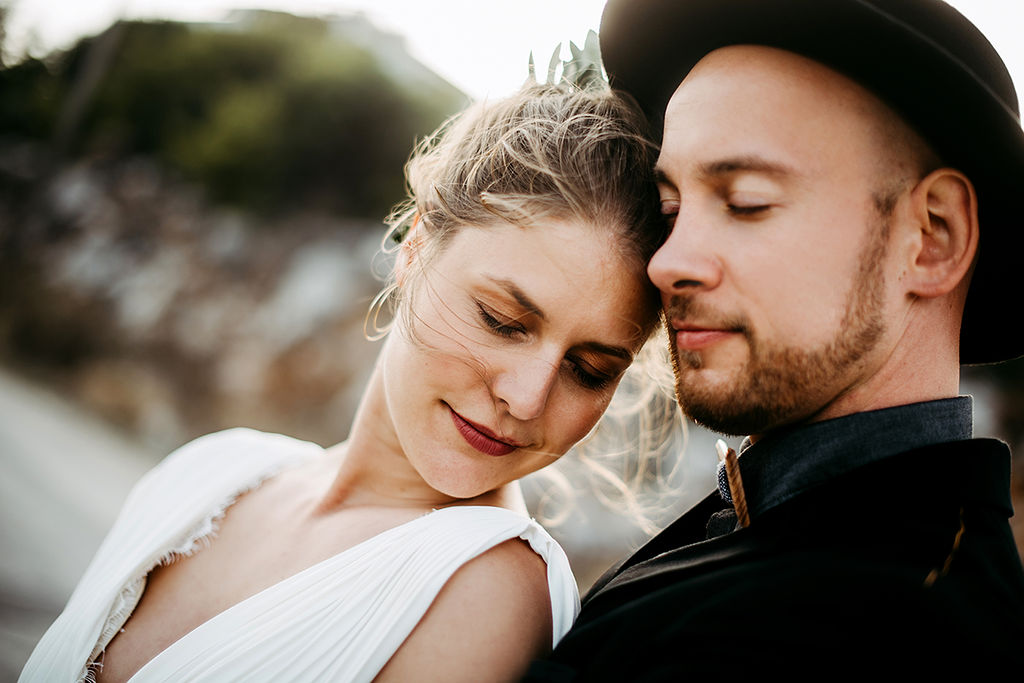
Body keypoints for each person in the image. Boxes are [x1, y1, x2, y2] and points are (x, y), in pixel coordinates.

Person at [20, 79, 668, 683]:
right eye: (502, 320)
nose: (526, 398)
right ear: (414, 250)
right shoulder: (210, 470)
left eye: (589, 370)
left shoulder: (486, 591)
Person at [523, 0, 1024, 680]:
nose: (667, 261)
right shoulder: (788, 528)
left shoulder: (860, 639)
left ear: (932, 236)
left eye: (746, 202)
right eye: (670, 208)